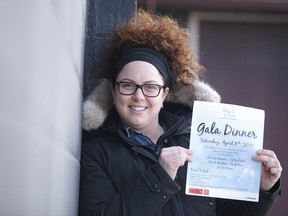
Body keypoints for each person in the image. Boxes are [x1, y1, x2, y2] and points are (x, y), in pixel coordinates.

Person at [78, 9, 282, 216]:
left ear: (164, 94)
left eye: (150, 87)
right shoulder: (96, 152)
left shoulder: (197, 139)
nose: (139, 96)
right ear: (114, 91)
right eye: (128, 85)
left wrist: (264, 190)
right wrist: (160, 177)